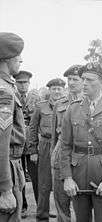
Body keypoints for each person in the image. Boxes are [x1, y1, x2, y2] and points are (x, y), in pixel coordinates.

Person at [60, 63, 102, 222]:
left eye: (90, 80)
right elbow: (64, 146)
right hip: (78, 175)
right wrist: (67, 177)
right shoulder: (73, 109)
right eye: (83, 79)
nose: (84, 83)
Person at [29, 78, 65, 221]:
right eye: (54, 88)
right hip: (45, 145)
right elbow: (32, 128)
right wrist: (33, 150)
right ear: (49, 90)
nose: (56, 91)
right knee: (44, 183)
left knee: (63, 183)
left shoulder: (68, 106)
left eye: (59, 88)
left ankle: (63, 215)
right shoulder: (40, 106)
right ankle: (42, 216)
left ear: (64, 90)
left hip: (62, 145)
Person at [51, 65, 84, 222]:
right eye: (69, 79)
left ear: (83, 81)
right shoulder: (60, 104)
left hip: (82, 157)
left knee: (83, 203)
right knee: (61, 202)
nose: (71, 83)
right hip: (60, 155)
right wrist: (53, 157)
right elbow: (54, 136)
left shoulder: (91, 103)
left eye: (75, 79)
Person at [0, 32, 26, 221]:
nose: (20, 60)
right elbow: (1, 142)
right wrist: (6, 188)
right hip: (7, 164)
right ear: (8, 59)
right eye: (18, 57)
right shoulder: (4, 90)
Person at [14, 70, 40, 218]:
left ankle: (41, 206)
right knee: (18, 176)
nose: (23, 85)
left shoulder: (36, 98)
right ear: (16, 83)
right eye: (20, 82)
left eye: (25, 82)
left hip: (32, 144)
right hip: (16, 144)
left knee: (36, 177)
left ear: (29, 83)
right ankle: (22, 206)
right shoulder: (11, 96)